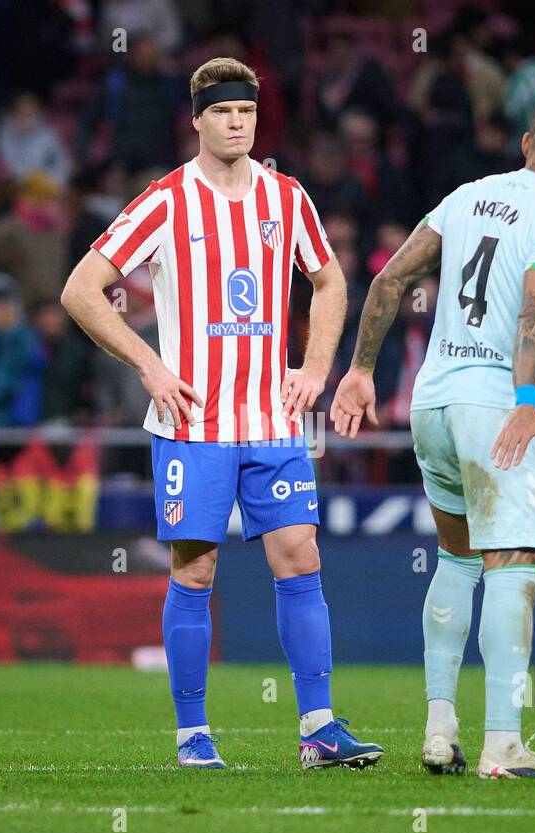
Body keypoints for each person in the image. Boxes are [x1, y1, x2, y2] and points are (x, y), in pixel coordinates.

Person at [61, 56, 384, 771]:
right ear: (198, 119)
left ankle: (319, 728)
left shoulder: (288, 198)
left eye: (247, 113)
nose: (237, 123)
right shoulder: (166, 199)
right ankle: (192, 734)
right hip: (193, 424)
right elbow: (82, 290)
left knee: (301, 555)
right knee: (197, 570)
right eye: (223, 113)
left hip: (273, 420)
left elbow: (329, 280)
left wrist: (316, 368)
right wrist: (148, 364)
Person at [332, 95, 535, 779]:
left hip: (432, 400)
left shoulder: (467, 195)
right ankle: (503, 744)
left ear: (526, 143)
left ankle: (439, 728)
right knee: (514, 567)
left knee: (456, 560)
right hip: (493, 405)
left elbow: (391, 277)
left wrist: (360, 371)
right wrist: (528, 399)